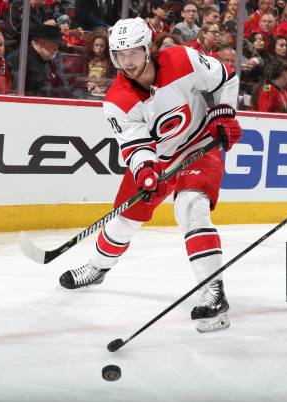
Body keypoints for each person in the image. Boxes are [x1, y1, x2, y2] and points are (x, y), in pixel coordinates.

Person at [59, 18, 241, 334]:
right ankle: (98, 268)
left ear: (149, 48)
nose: (127, 62)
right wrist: (145, 170)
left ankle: (213, 293)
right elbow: (135, 143)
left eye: (133, 53)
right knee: (124, 220)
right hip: (158, 158)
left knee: (190, 207)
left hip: (198, 146)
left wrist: (224, 112)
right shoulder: (117, 99)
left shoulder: (182, 58)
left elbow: (226, 78)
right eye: (119, 54)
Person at [7, 24, 71, 97]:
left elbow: (61, 84)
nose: (56, 50)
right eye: (54, 47)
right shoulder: (21, 59)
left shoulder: (49, 59)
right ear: (40, 43)